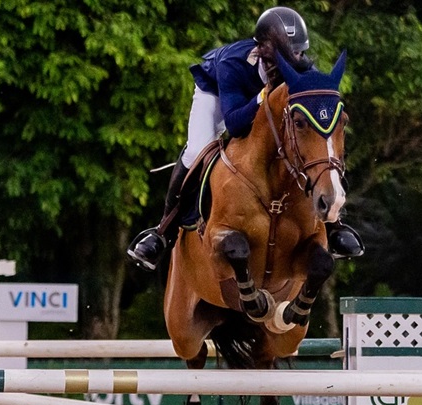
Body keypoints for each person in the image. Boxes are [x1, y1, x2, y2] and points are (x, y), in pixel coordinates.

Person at [127, 7, 364, 272]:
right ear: (261, 47)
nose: (293, 58)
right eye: (285, 51)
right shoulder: (233, 63)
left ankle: (334, 226)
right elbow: (235, 124)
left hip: (260, 101)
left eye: (298, 52)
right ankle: (163, 232)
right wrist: (264, 97)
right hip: (217, 96)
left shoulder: (302, 67)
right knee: (197, 150)